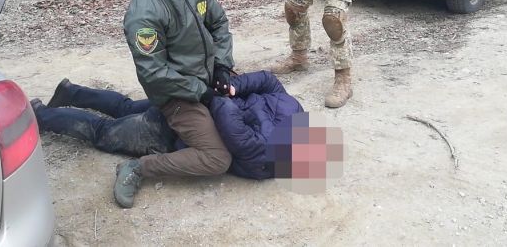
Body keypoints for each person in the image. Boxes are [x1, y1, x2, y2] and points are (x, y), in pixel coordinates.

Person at [114, 0, 236, 209]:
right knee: (217, 158)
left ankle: (71, 93)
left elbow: (218, 23)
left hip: (204, 79)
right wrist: (201, 92)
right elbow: (154, 73)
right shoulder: (145, 14)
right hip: (177, 94)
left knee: (126, 108)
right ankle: (138, 168)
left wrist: (222, 66)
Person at [30, 70, 305, 181]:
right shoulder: (266, 156)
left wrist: (231, 87)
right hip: (179, 129)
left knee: (125, 107)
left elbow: (267, 81)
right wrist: (228, 94)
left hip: (189, 101)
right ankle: (40, 114)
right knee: (104, 132)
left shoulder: (293, 108)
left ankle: (72, 92)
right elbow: (229, 122)